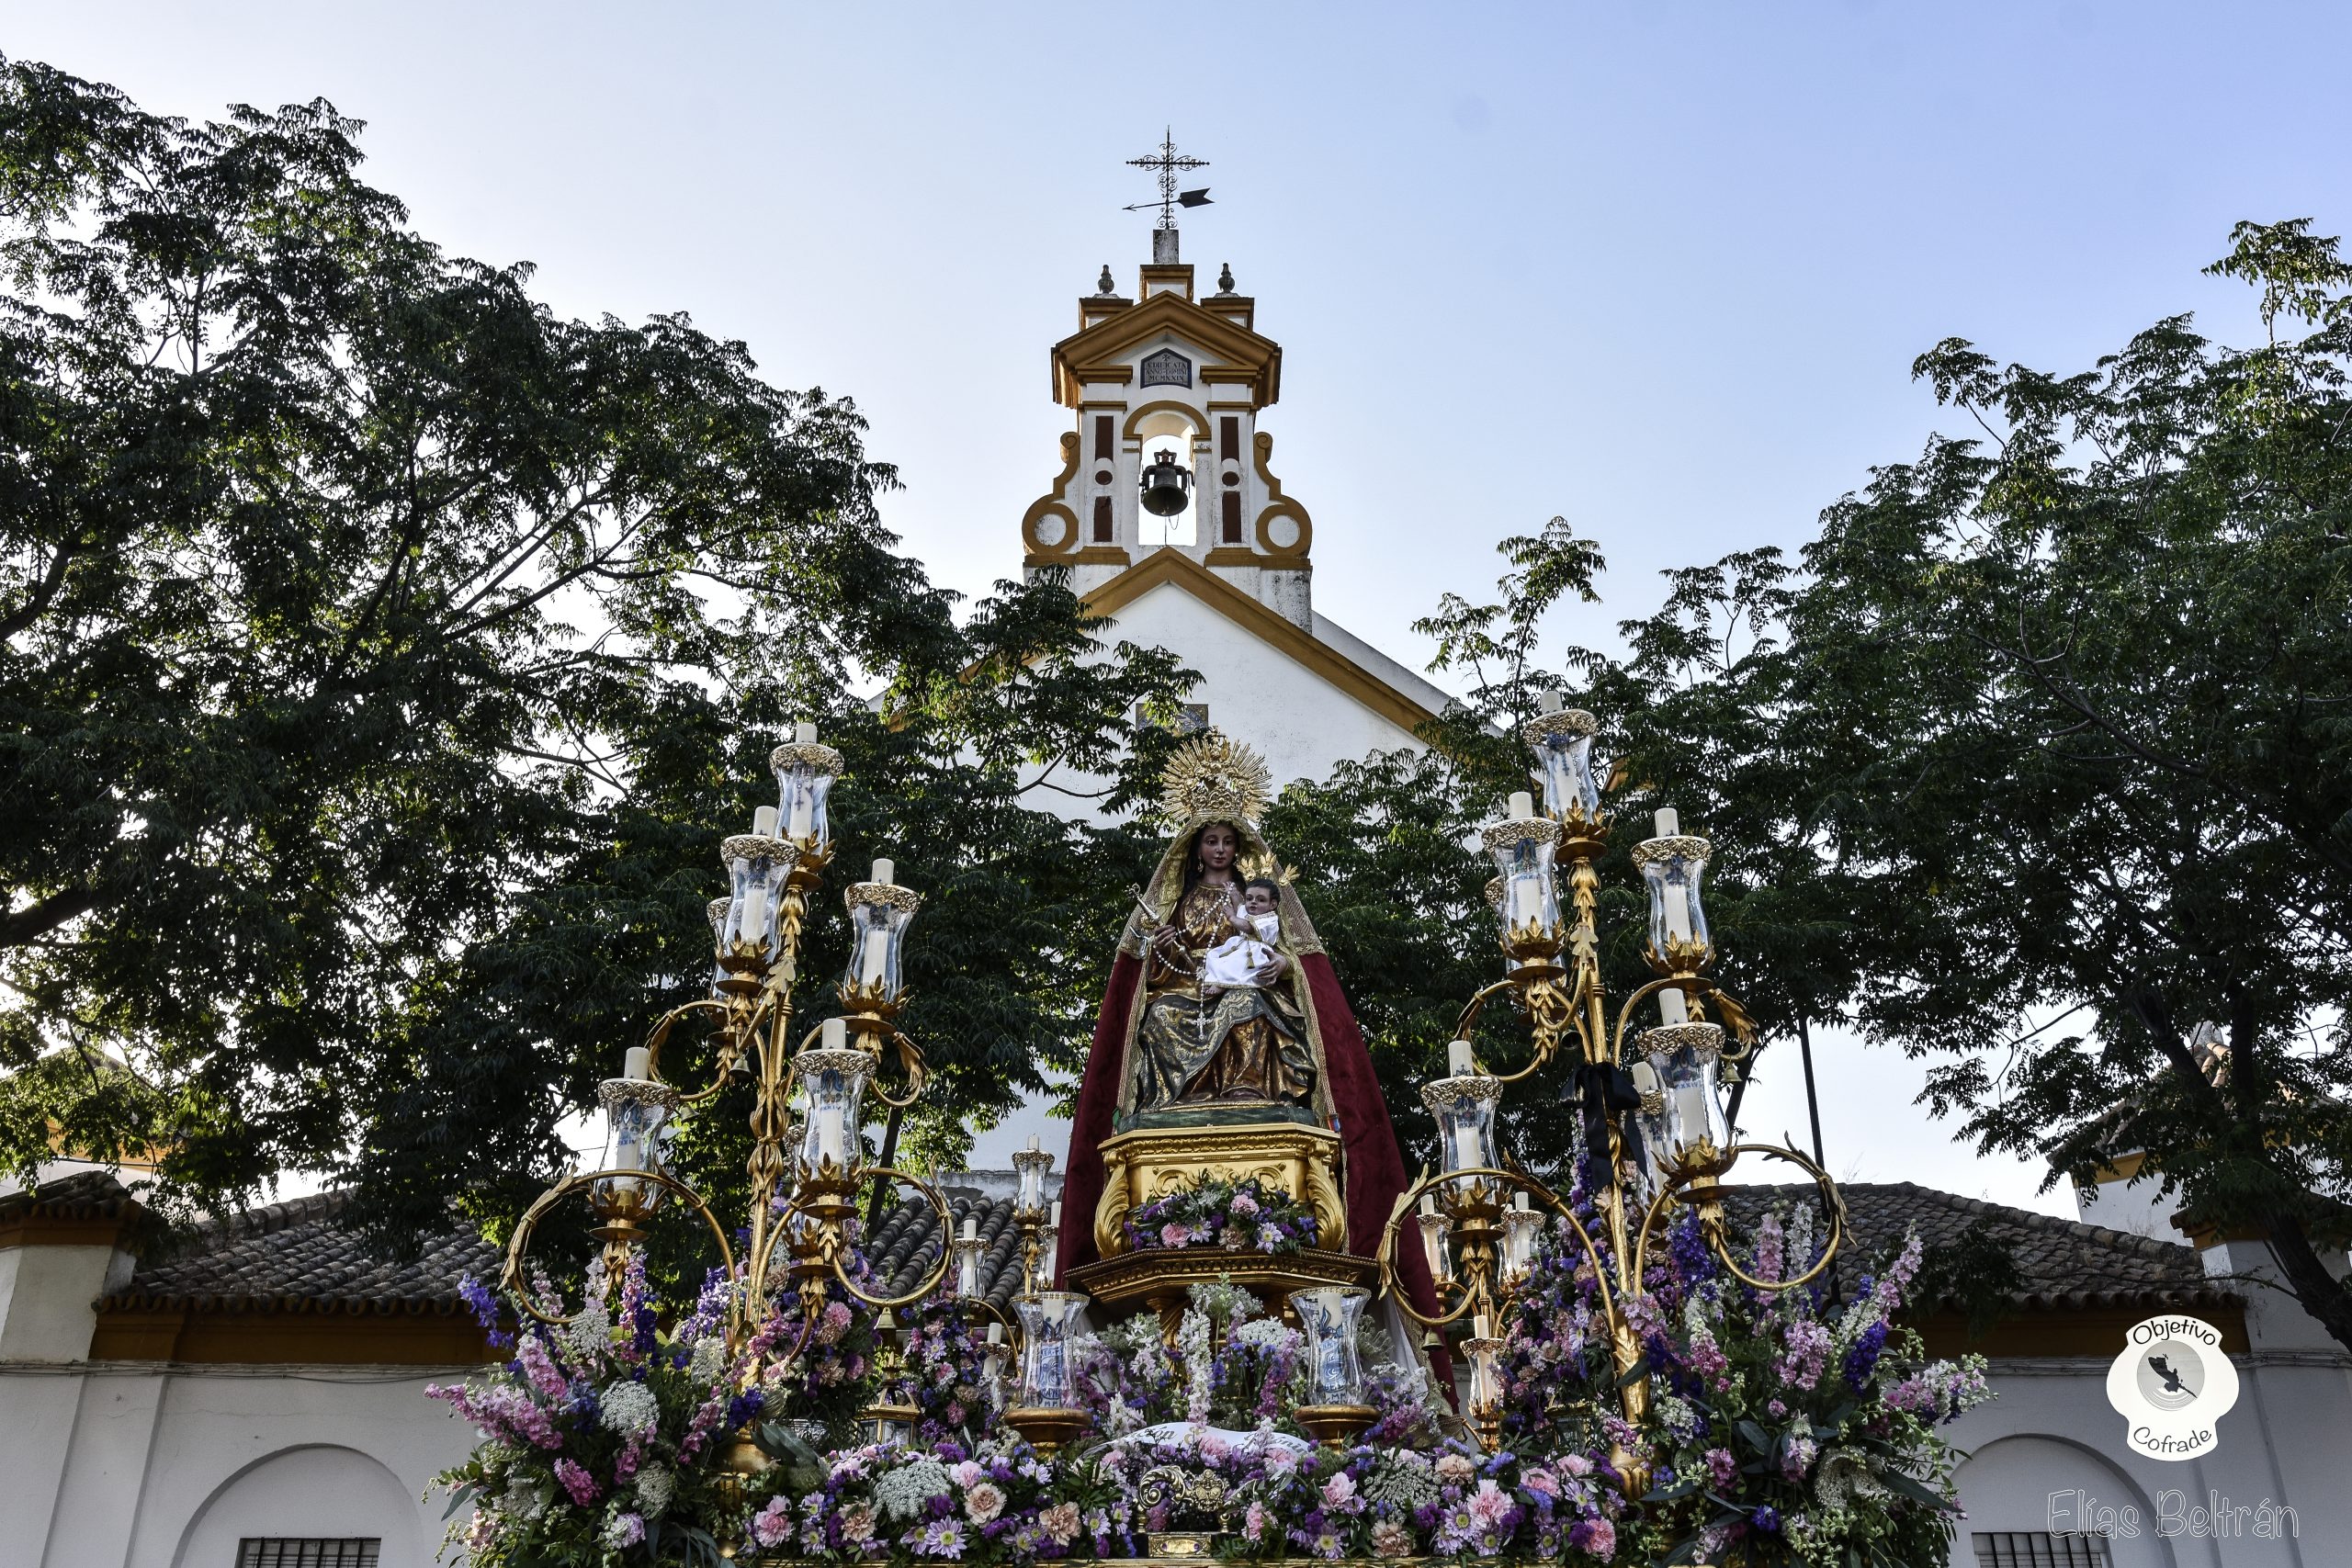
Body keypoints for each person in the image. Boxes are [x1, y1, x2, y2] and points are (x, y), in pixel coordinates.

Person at [1200, 876, 1284, 994]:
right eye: (1249, 898)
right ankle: (1216, 980)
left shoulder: (1269, 918)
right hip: (1242, 945)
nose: (1253, 902)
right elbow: (1240, 908)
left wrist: (1232, 918)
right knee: (1214, 955)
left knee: (1236, 961)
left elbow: (1248, 927)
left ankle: (1222, 984)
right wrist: (1234, 893)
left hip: (1256, 952)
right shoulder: (1249, 912)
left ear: (1272, 904)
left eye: (1261, 900)